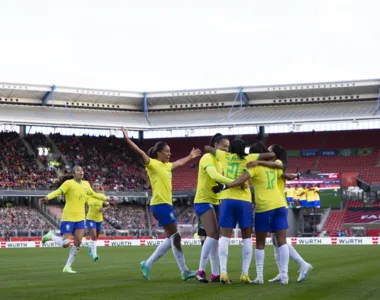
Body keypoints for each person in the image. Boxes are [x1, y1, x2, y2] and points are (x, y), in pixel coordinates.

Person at [121, 127, 201, 281]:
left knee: (172, 238)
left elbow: (179, 162)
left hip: (166, 205)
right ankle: (184, 271)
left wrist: (190, 156)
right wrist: (128, 140)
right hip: (160, 205)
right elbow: (141, 153)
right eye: (167, 151)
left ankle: (148, 263)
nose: (170, 154)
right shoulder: (153, 164)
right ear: (159, 153)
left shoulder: (167, 166)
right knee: (176, 237)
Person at [213, 142, 294, 285]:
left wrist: (225, 186)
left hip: (263, 206)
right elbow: (284, 172)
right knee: (282, 242)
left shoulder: (254, 166)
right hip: (280, 205)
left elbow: (241, 180)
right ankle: (285, 276)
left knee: (259, 243)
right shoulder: (274, 166)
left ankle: (259, 277)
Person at [205, 138, 275, 284]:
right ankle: (244, 274)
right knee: (247, 237)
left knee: (224, 237)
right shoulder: (249, 157)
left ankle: (223, 272)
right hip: (244, 201)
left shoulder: (224, 156)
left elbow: (207, 148)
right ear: (245, 149)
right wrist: (258, 161)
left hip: (228, 199)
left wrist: (217, 150)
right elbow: (271, 155)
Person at [39, 166, 112, 273]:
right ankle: (51, 236)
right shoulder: (69, 183)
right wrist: (47, 197)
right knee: (66, 243)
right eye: (78, 170)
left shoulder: (86, 184)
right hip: (68, 216)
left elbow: (95, 194)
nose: (81, 172)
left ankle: (67, 266)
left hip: (81, 218)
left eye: (82, 170)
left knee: (78, 242)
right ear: (74, 174)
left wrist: (108, 198)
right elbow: (58, 191)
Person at [263, 144, 313, 283]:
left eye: (269, 150)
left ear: (275, 154)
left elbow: (284, 174)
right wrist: (295, 175)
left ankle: (300, 265)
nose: (266, 152)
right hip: (274, 203)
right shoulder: (274, 165)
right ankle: (284, 271)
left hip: (277, 204)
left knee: (280, 240)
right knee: (275, 241)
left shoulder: (277, 164)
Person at [194, 133, 233, 283]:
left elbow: (220, 182)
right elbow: (214, 175)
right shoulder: (207, 158)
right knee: (212, 235)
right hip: (203, 200)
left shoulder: (220, 161)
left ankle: (215, 274)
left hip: (216, 201)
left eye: (228, 147)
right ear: (216, 145)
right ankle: (200, 271)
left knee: (216, 238)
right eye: (224, 146)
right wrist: (235, 182)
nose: (227, 149)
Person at [86, 181, 114, 261]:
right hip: (90, 218)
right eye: (94, 186)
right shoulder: (88, 196)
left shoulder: (102, 196)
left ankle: (90, 246)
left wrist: (104, 209)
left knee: (95, 237)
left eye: (97, 186)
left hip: (99, 219)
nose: (96, 187)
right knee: (94, 236)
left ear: (99, 187)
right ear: (92, 187)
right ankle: (94, 255)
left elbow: (108, 205)